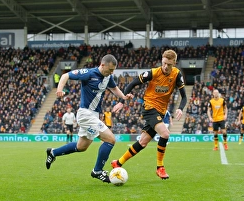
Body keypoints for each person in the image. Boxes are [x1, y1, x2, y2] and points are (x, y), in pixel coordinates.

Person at [45, 54, 133, 183]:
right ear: (102, 65)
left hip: (94, 115)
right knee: (110, 140)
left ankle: (53, 153)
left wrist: (124, 97)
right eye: (110, 70)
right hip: (86, 114)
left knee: (82, 147)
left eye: (113, 70)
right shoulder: (89, 73)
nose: (111, 72)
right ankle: (97, 171)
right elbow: (65, 76)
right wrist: (59, 89)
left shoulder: (108, 76)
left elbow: (114, 88)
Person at [111, 49, 187, 179]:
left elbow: (184, 96)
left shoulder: (177, 75)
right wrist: (122, 101)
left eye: (169, 64)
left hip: (161, 111)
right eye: (164, 63)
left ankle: (118, 162)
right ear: (161, 61)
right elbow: (133, 82)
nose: (165, 67)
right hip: (149, 107)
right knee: (165, 133)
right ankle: (160, 167)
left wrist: (180, 108)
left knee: (143, 142)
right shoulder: (153, 73)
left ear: (174, 63)